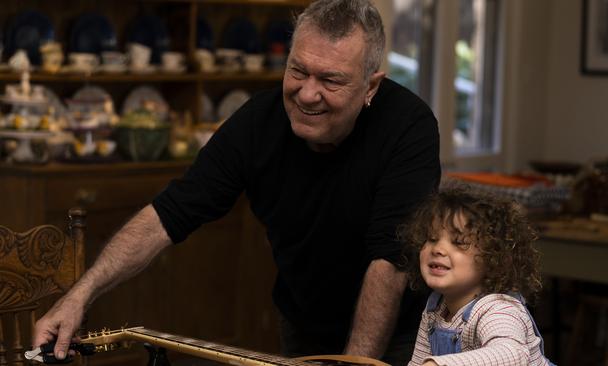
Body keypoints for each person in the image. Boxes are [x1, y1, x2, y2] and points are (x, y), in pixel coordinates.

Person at [33, 1, 441, 365]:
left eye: (331, 81)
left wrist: (354, 365)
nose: (307, 94)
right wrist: (77, 298)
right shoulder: (256, 123)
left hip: (398, 333)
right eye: (298, 71)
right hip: (302, 321)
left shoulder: (409, 127)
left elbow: (390, 260)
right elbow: (168, 214)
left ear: (370, 86)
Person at [401, 182, 555, 366]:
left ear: (493, 257)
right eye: (432, 239)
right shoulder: (434, 308)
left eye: (459, 242)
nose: (438, 249)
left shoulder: (498, 309)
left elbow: (513, 355)